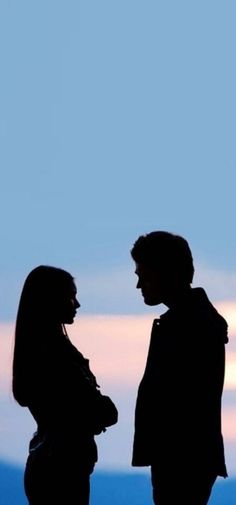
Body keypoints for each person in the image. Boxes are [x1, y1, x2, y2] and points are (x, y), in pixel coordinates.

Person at [130, 231, 228, 505]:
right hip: (182, 455)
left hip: (181, 456)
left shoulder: (189, 324)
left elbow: (182, 397)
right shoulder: (191, 320)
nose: (139, 285)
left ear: (166, 273)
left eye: (144, 275)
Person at [12, 265, 118, 505]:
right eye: (71, 296)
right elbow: (94, 410)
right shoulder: (54, 354)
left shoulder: (40, 351)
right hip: (61, 468)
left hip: (50, 464)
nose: (77, 304)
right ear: (50, 300)